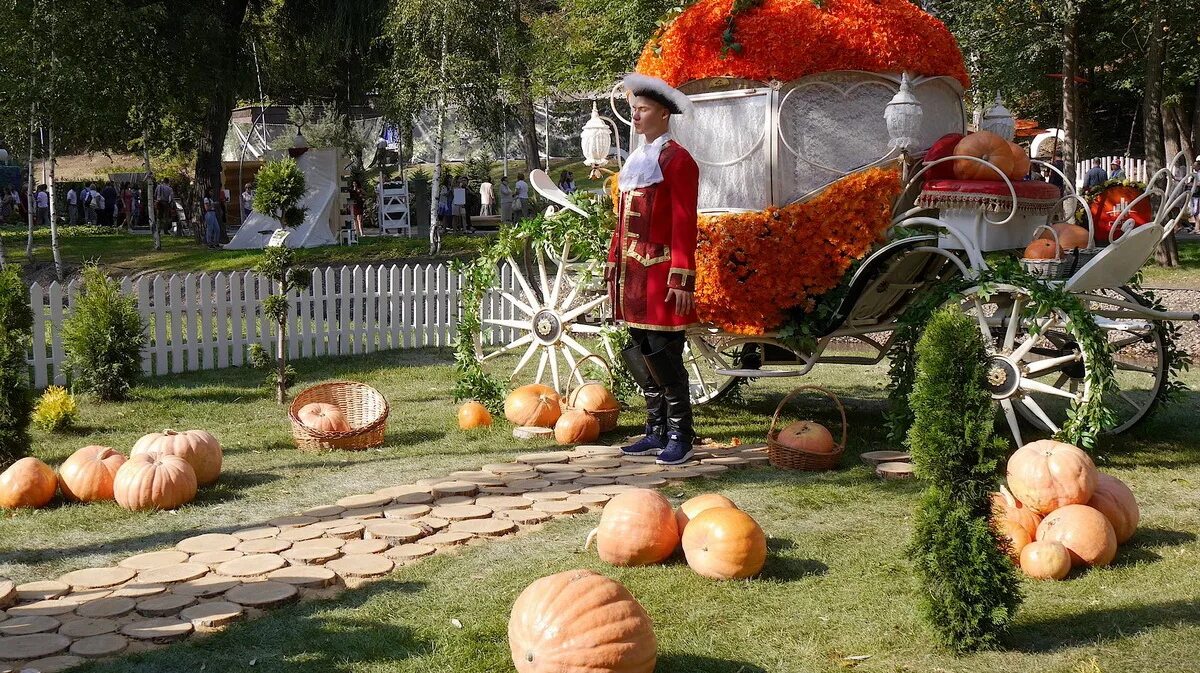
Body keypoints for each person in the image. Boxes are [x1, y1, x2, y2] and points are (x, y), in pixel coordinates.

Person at [607, 73, 700, 466]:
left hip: (661, 274)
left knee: (664, 355)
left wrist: (682, 275)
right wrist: (613, 261)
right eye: (633, 111)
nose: (636, 117)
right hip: (632, 276)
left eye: (642, 110)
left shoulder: (678, 161)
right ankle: (655, 430)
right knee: (638, 350)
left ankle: (682, 434)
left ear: (663, 113)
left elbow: (684, 221)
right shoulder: (637, 160)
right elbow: (623, 221)